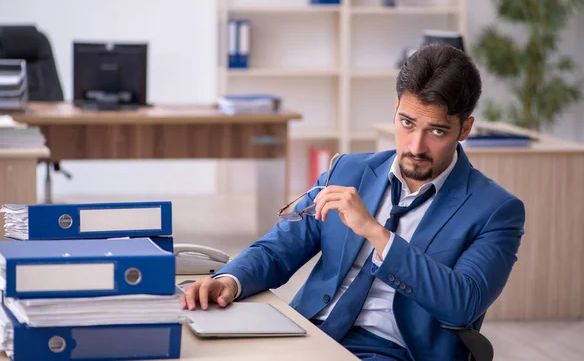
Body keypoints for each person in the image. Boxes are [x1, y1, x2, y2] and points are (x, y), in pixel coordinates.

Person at [181, 43, 525, 361]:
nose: (416, 146)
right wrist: (229, 281)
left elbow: (462, 303)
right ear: (395, 110)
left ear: (464, 129)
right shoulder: (348, 170)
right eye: (407, 123)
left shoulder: (495, 210)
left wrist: (377, 234)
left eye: (436, 131)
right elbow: (277, 249)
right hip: (310, 335)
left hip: (395, 351)